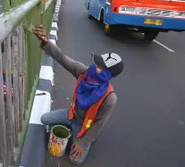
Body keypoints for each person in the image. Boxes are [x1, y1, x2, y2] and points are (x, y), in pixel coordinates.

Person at [33, 25, 123, 165]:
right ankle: (70, 127)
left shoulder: (110, 98)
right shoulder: (83, 72)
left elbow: (99, 123)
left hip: (84, 128)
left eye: (99, 67)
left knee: (75, 160)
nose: (93, 66)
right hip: (71, 115)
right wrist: (45, 42)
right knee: (45, 119)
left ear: (106, 75)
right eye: (96, 63)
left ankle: (84, 139)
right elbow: (63, 58)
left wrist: (84, 142)